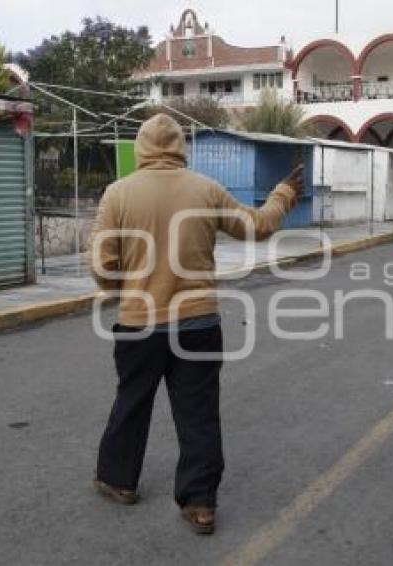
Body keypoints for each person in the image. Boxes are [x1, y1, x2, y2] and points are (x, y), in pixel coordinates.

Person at [89, 113, 303, 535]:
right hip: (198, 323)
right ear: (180, 148)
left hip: (139, 325)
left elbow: (101, 266)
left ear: (141, 148)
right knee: (199, 413)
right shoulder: (205, 189)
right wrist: (282, 194)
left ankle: (118, 482)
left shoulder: (117, 194)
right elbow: (257, 227)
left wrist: (128, 287)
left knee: (131, 402)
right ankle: (200, 504)